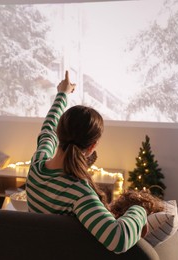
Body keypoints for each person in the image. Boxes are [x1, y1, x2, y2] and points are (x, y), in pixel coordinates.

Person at [25, 70, 147, 254]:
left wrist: (62, 93)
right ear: (92, 147)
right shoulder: (79, 192)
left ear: (59, 133)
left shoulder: (37, 163)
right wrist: (139, 210)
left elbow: (48, 126)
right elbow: (118, 239)